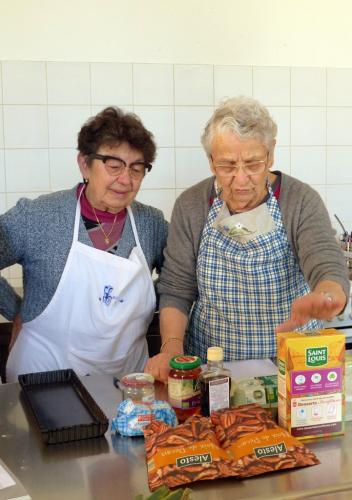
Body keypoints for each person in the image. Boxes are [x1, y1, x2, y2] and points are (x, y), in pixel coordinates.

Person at [145, 96, 350, 382]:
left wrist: (327, 295)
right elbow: (177, 289)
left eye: (253, 164)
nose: (241, 180)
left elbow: (326, 261)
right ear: (210, 161)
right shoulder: (192, 205)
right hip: (210, 371)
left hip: (292, 371)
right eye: (227, 166)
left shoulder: (300, 200)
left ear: (271, 153)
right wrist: (172, 352)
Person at [0, 107, 168, 382]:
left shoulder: (151, 223)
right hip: (45, 380)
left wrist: (154, 306)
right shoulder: (38, 216)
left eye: (137, 169)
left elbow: (180, 279)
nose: (125, 179)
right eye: (114, 166)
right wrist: (14, 308)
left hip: (128, 385)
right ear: (84, 163)